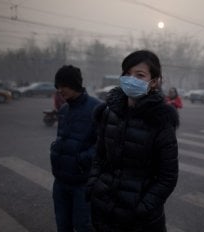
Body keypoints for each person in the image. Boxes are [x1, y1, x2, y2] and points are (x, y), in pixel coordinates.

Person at [87, 50, 179, 231]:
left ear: (153, 82)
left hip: (140, 221)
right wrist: (94, 185)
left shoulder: (160, 121)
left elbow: (167, 177)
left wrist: (143, 208)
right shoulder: (109, 112)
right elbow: (99, 156)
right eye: (127, 74)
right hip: (104, 210)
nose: (131, 79)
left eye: (140, 75)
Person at [50, 65, 101, 232]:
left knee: (83, 226)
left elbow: (104, 146)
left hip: (83, 184)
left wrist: (82, 160)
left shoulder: (97, 108)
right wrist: (56, 151)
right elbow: (61, 138)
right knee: (63, 226)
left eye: (62, 85)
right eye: (57, 86)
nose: (59, 90)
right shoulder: (64, 109)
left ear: (74, 84)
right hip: (60, 182)